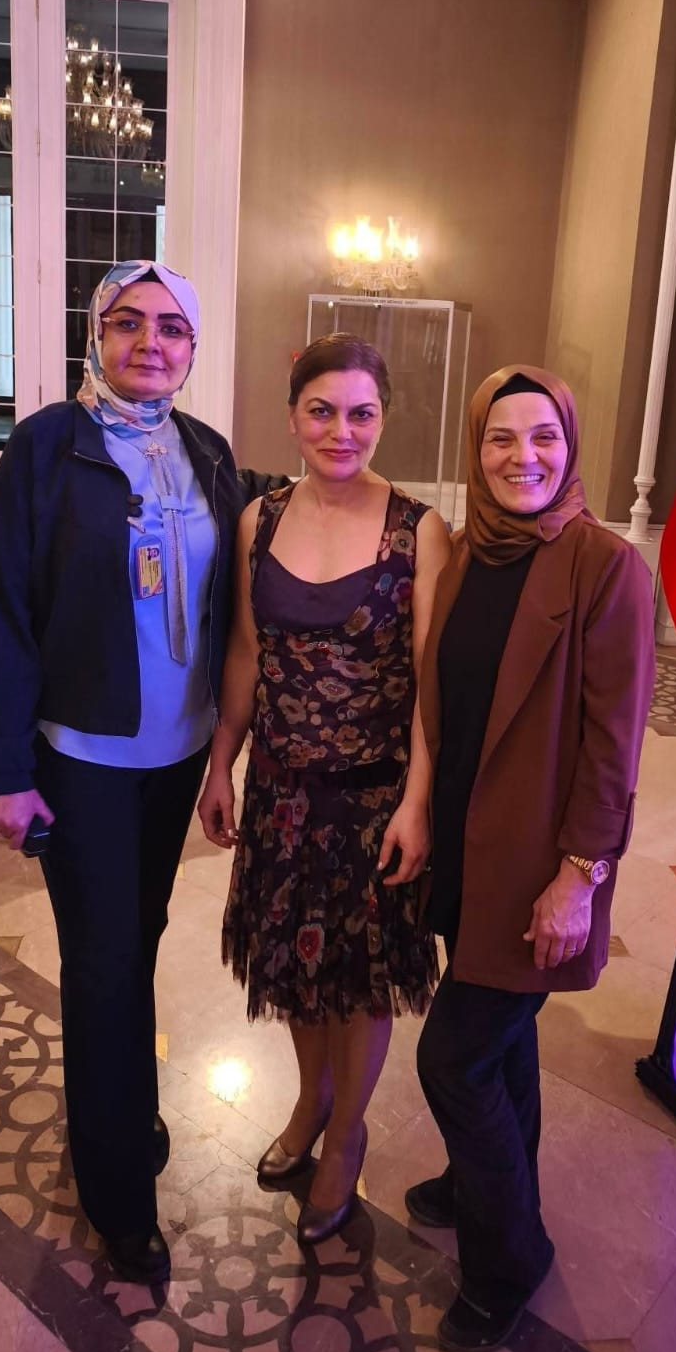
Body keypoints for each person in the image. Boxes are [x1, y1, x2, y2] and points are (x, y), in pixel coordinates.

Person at [0, 260, 239, 1284]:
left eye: (171, 328)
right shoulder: (43, 448)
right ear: (96, 334)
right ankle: (118, 1194)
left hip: (177, 754)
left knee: (136, 940)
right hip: (83, 761)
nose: (149, 342)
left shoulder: (206, 450)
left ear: (192, 347)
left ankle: (122, 1106)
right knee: (105, 962)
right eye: (127, 322)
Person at [396, 365, 655, 1352]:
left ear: (570, 442)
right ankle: (479, 1184)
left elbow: (613, 748)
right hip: (468, 850)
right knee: (500, 1045)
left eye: (543, 435)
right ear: (477, 450)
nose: (523, 456)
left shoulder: (605, 566)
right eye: (500, 438)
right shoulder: (471, 554)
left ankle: (509, 1261)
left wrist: (578, 879)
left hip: (537, 870)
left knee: (453, 1056)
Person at [198, 333, 449, 1245]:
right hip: (282, 791)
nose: (342, 431)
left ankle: (347, 1133)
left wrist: (417, 803)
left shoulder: (419, 530)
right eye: (322, 411)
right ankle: (312, 1100)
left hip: (373, 799)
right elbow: (245, 651)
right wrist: (222, 760)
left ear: (383, 418)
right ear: (292, 415)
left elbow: (429, 686)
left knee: (359, 980)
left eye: (361, 414)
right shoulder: (258, 520)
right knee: (295, 968)